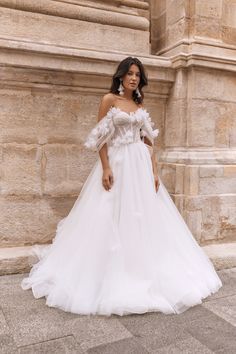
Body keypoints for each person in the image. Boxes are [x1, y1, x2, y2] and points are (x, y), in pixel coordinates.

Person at [21, 57, 222, 316]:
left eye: (137, 74)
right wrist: (105, 167)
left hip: (140, 164)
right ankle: (109, 270)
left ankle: (143, 265)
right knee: (111, 213)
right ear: (120, 76)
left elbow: (147, 140)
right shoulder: (109, 101)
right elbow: (100, 138)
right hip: (118, 163)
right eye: (129, 73)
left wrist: (155, 171)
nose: (133, 78)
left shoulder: (138, 103)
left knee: (144, 216)